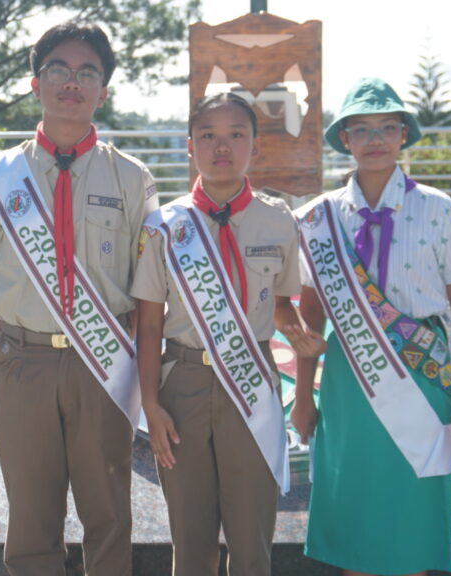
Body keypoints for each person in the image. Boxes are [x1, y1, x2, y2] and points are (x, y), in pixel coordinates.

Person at [0, 21, 159, 576]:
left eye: (87, 73)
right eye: (59, 70)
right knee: (30, 519)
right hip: (25, 365)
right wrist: (28, 344)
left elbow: (148, 290)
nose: (72, 83)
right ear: (34, 82)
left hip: (105, 369)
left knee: (110, 515)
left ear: (104, 90)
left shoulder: (132, 179)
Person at [290, 78, 451, 575]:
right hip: (349, 375)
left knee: (412, 499)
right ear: (345, 140)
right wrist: (305, 395)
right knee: (356, 497)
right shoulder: (320, 216)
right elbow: (310, 315)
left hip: (423, 371)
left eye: (386, 127)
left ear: (403, 136)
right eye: (361, 129)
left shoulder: (437, 208)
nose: (374, 139)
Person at [131, 92, 325, 576]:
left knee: (251, 540)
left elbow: (281, 308)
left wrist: (297, 332)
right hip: (182, 387)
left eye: (236, 135)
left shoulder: (279, 220)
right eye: (208, 136)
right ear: (190, 146)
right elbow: (149, 323)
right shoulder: (163, 226)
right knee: (192, 543)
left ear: (255, 147)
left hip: (252, 385)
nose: (222, 147)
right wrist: (150, 405)